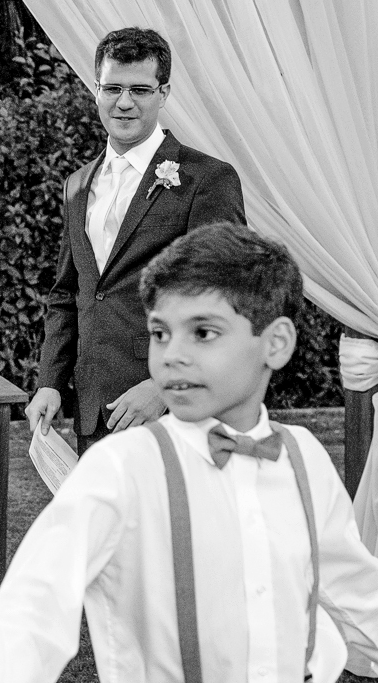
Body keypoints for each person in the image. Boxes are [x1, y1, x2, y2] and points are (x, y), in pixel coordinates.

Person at [0, 223, 378, 683]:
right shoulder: (123, 469)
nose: (171, 356)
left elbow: (366, 596)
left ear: (276, 343)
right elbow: (30, 613)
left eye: (202, 332)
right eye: (160, 333)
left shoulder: (304, 459)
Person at [25, 27, 245, 453]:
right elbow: (68, 294)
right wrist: (50, 383)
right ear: (96, 89)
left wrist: (166, 389)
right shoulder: (77, 184)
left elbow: (230, 300)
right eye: (113, 88)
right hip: (95, 413)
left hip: (177, 414)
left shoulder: (207, 180)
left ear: (163, 93)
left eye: (140, 89)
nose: (124, 102)